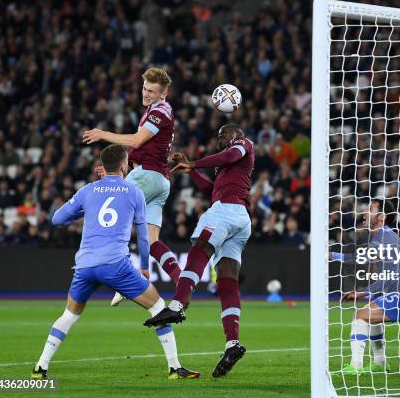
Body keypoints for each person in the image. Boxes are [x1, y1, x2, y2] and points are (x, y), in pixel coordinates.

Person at [31, 145, 199, 380]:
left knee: (69, 315)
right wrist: (144, 267)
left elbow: (57, 219)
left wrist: (86, 209)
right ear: (123, 166)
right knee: (159, 307)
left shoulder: (87, 190)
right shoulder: (134, 192)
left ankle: (41, 366)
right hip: (116, 265)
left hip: (85, 266)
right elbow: (142, 235)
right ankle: (174, 368)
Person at [145, 124, 254, 378]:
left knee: (199, 250)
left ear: (235, 134)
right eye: (217, 137)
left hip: (227, 211)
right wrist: (189, 169)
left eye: (222, 135)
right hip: (238, 218)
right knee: (228, 281)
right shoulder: (228, 167)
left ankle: (178, 304)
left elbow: (228, 155)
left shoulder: (243, 144)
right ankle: (232, 344)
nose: (219, 139)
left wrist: (193, 163)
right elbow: (211, 191)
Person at [82, 68, 183, 306]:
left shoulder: (159, 112)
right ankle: (182, 281)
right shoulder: (156, 110)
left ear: (164, 93)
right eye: (145, 89)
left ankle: (124, 281)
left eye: (152, 91)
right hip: (159, 181)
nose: (146, 94)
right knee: (152, 240)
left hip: (146, 177)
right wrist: (115, 173)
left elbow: (136, 141)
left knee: (110, 222)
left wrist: (102, 134)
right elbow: (147, 150)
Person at [338, 199, 400, 375]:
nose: (365, 213)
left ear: (381, 216)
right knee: (369, 314)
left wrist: (328, 254)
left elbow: (360, 258)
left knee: (359, 316)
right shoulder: (384, 235)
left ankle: (356, 365)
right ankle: (380, 362)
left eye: (370, 209)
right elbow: (387, 277)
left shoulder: (384, 237)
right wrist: (363, 294)